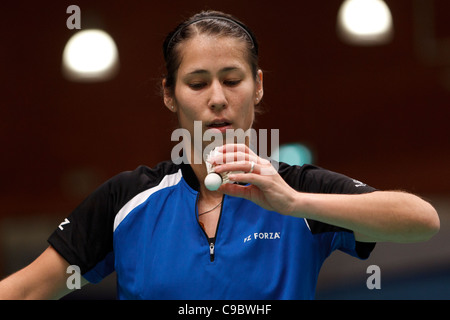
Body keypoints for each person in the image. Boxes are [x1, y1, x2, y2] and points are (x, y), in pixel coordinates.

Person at [0, 10, 440, 300]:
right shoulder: (127, 200)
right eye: (197, 83)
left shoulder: (299, 190)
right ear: (169, 95)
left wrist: (294, 203)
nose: (217, 99)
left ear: (259, 85)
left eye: (232, 79)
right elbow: (23, 292)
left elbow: (421, 221)